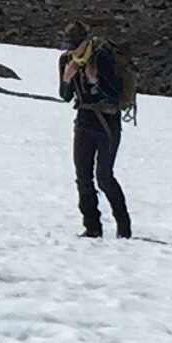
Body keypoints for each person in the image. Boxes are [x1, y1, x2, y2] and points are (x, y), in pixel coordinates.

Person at [58, 20, 134, 237]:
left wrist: (96, 81)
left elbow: (114, 94)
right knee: (82, 175)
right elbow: (65, 96)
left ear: (84, 41)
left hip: (107, 122)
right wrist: (66, 79)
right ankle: (91, 227)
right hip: (83, 120)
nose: (71, 50)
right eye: (68, 45)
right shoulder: (66, 60)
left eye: (74, 45)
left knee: (104, 176)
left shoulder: (101, 57)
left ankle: (124, 226)